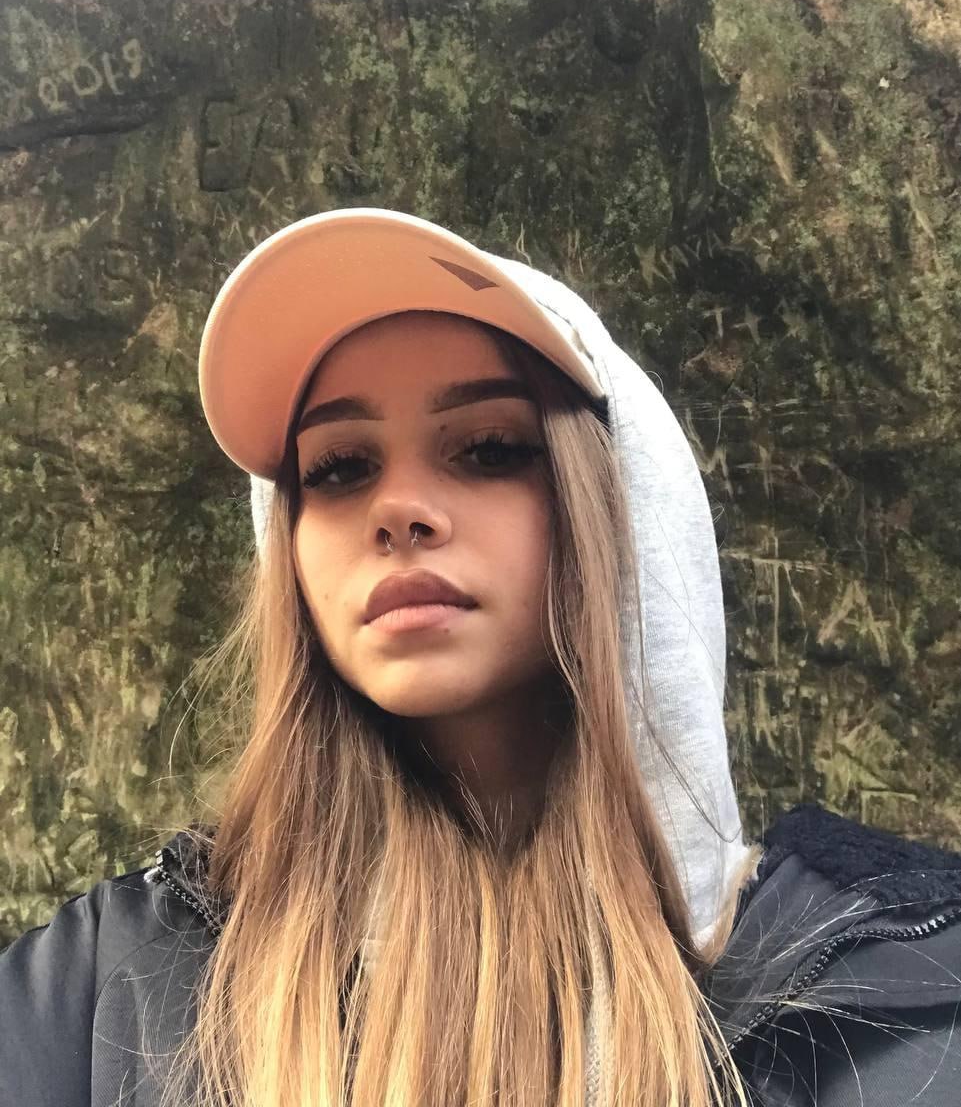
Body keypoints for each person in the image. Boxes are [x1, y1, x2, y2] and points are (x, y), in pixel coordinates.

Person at [1, 208, 960, 1107]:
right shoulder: (106, 986)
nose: (397, 509)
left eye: (490, 448)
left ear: (618, 502)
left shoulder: (902, 982)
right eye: (338, 467)